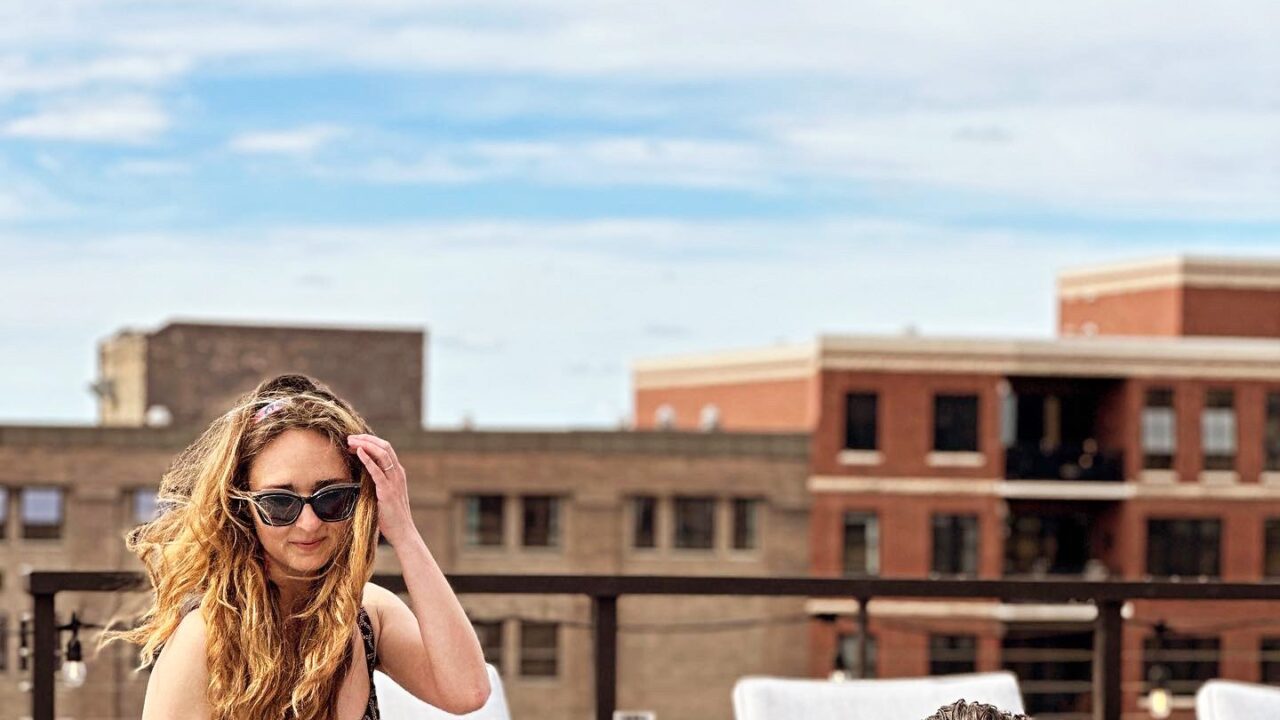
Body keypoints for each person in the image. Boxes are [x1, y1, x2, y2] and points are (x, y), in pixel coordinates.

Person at [99, 374, 491, 720]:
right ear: (241, 508)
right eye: (279, 503)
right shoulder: (207, 637)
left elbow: (466, 692)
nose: (309, 523)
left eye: (331, 498)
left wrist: (403, 531)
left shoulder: (367, 615)